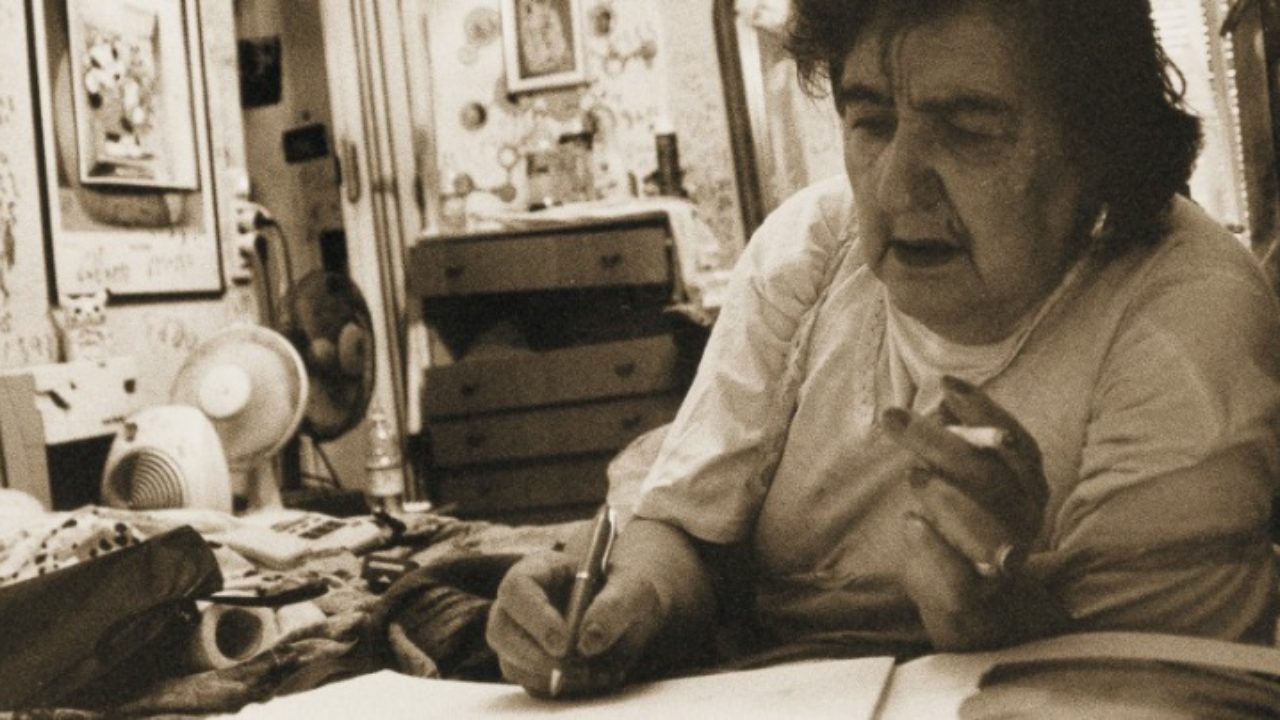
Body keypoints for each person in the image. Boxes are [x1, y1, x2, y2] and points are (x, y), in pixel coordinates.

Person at [487, 0, 1280, 697]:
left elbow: (1154, 680)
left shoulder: (1184, 307)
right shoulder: (809, 251)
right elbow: (687, 532)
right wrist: (629, 607)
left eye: (969, 130)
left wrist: (993, 610)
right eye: (870, 122)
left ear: (1099, 148)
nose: (896, 186)